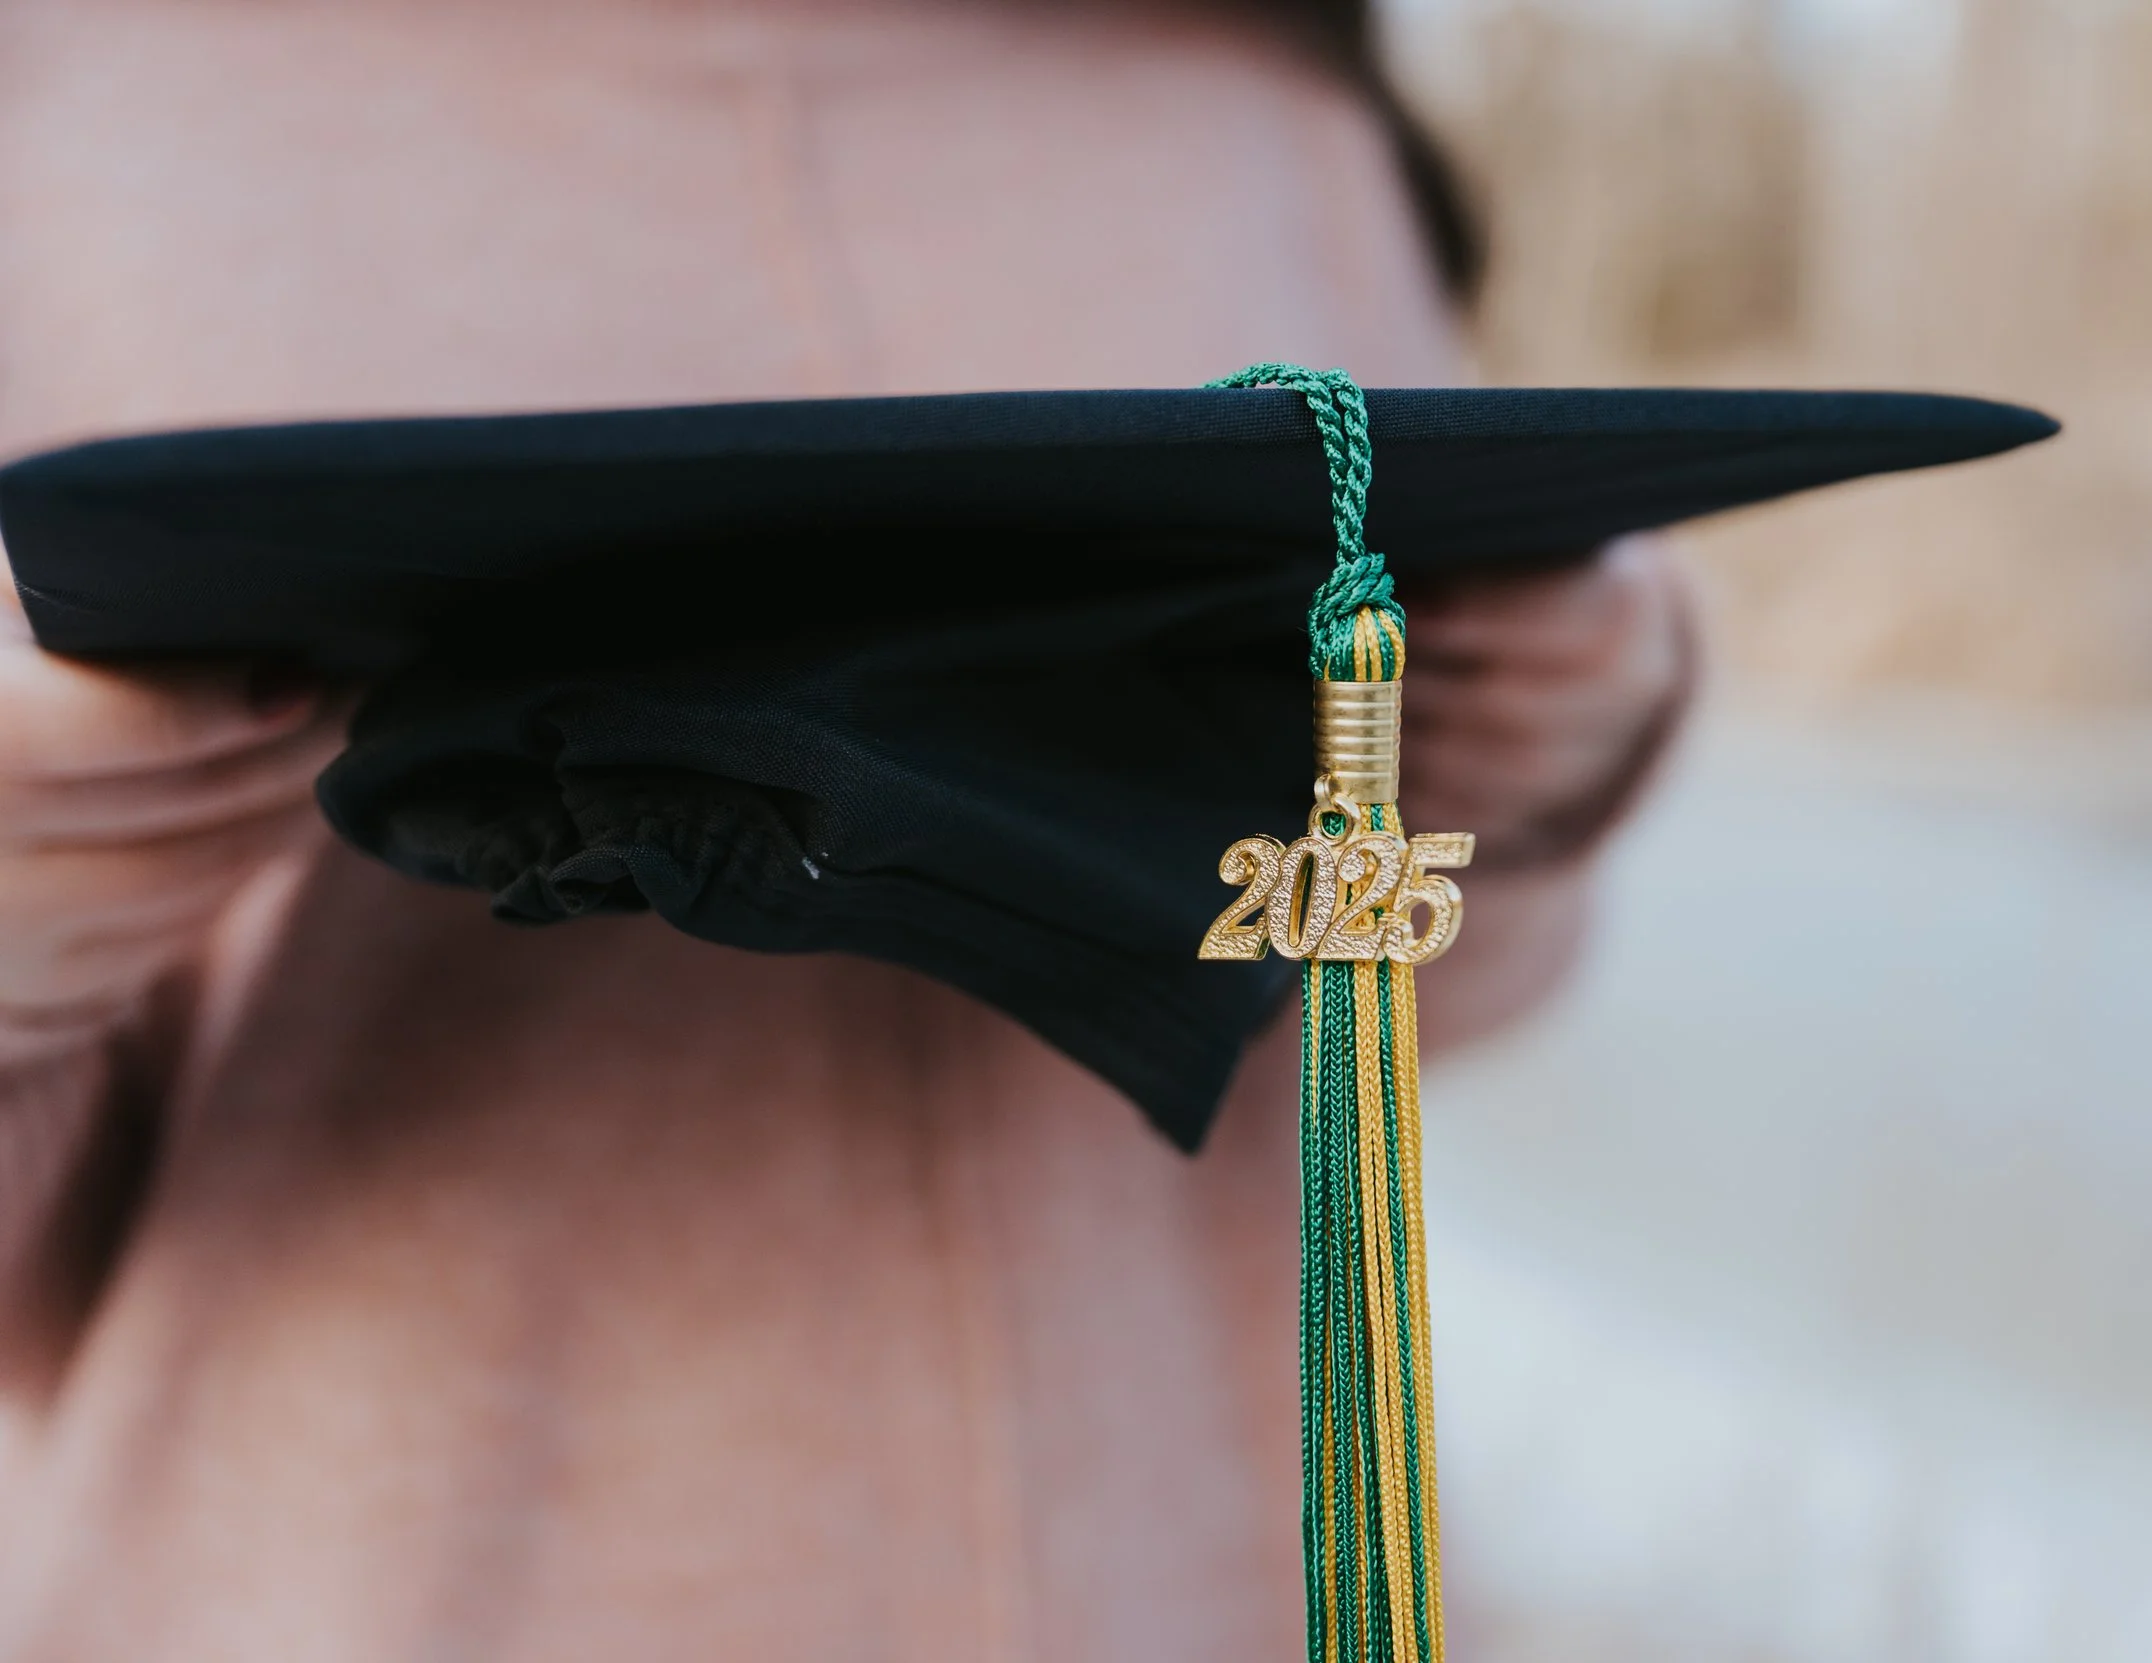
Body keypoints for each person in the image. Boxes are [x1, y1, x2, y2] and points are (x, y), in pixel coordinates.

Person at [0, 2, 1696, 1656]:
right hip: (352, 1579)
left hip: (1211, 1563)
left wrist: (1543, 757)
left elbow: (1413, 1008)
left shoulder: (1259, 107)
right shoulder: (80, 108)